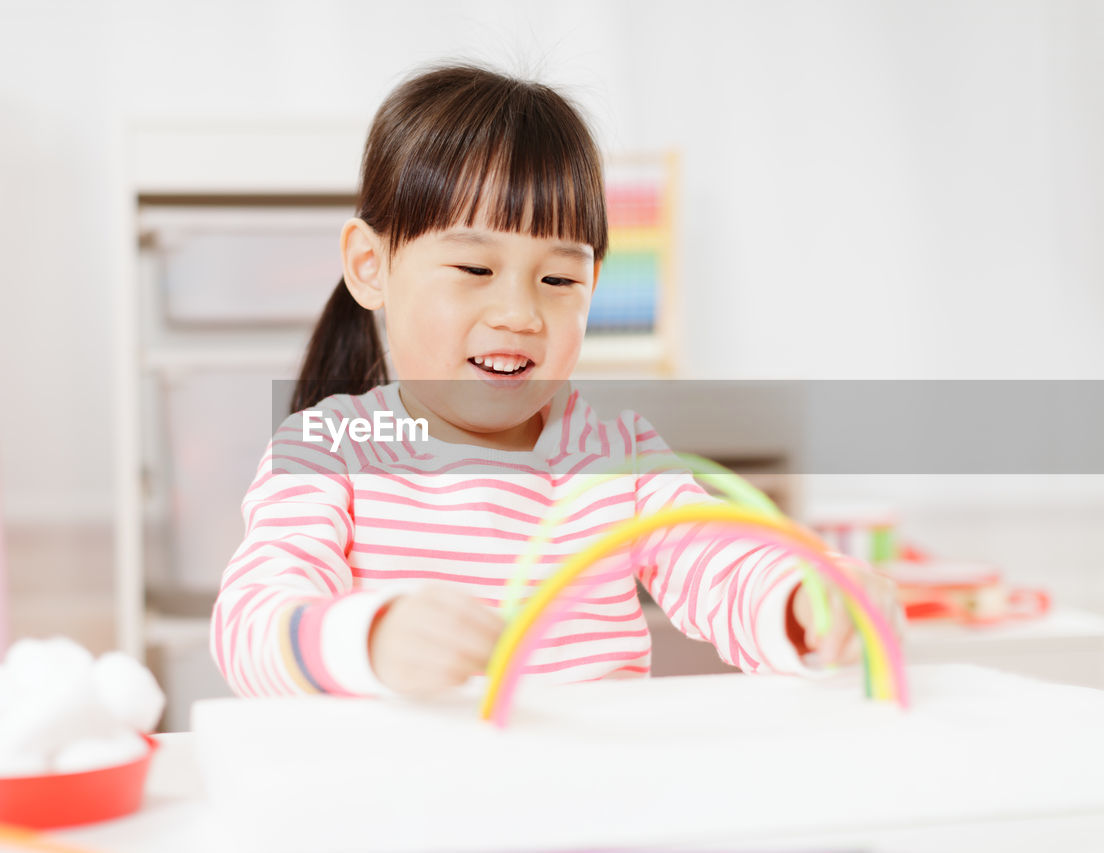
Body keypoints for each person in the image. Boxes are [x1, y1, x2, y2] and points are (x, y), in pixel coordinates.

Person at [209, 62, 899, 698]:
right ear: (370, 266)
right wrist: (370, 637)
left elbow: (722, 561)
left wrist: (804, 599)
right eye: (475, 270)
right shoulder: (330, 450)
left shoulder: (618, 462)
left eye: (559, 279)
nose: (519, 313)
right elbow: (253, 621)